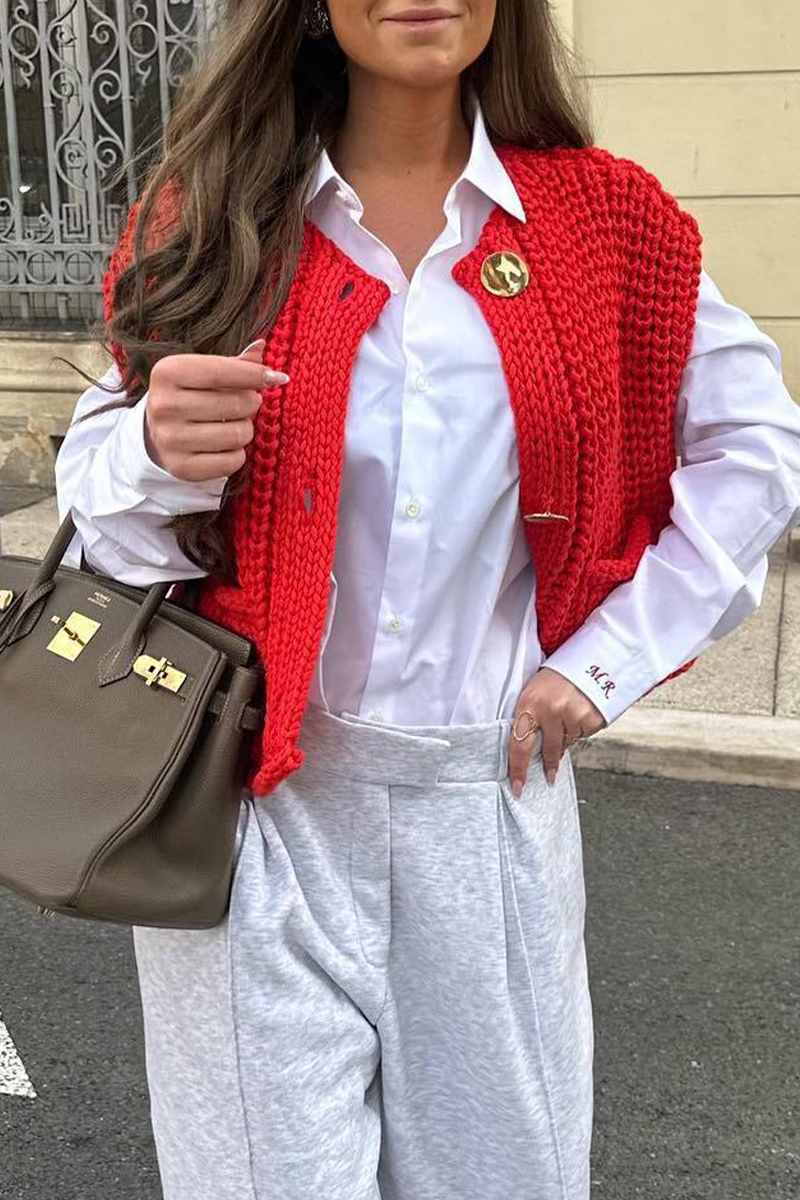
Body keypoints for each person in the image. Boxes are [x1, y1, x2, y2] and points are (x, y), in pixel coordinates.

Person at [54, 1, 800, 1197]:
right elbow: (115, 538)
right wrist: (151, 451)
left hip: (486, 803)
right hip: (248, 811)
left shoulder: (602, 224)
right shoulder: (217, 217)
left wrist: (603, 662)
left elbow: (754, 452)